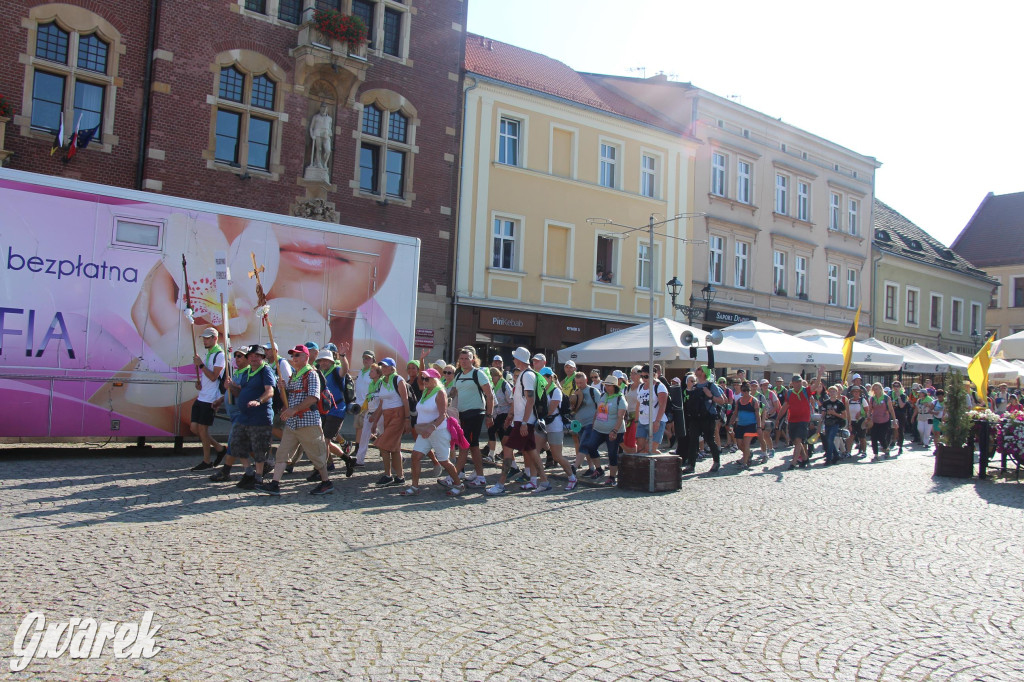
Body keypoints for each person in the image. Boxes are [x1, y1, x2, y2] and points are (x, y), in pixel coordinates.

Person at [255, 345, 334, 495]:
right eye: (293, 356)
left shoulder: (311, 374)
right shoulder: (295, 375)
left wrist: (294, 409)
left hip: (308, 421)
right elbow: (291, 396)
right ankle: (275, 484)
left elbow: (313, 397)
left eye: (298, 355)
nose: (294, 358)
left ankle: (326, 482)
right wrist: (283, 388)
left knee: (316, 454)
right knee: (282, 453)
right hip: (293, 422)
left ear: (306, 357)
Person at [486, 347, 547, 495]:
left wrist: (524, 422)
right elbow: (519, 400)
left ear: (518, 359)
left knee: (507, 448)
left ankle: (501, 484)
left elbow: (530, 400)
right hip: (521, 420)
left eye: (514, 357)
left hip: (524, 421)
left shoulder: (526, 375)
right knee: (532, 451)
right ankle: (544, 482)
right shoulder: (525, 375)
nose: (512, 359)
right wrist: (510, 416)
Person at [211, 346, 273, 487]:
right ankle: (249, 472)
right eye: (251, 355)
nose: (253, 358)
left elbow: (270, 391)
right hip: (244, 415)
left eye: (257, 355)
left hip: (260, 415)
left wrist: (258, 401)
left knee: (258, 448)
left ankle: (257, 478)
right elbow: (239, 393)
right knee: (236, 443)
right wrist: (230, 387)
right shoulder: (247, 372)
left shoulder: (265, 370)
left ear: (263, 357)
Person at [399, 368, 466, 497]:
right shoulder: (425, 392)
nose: (424, 381)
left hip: (438, 432)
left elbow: (443, 415)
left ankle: (459, 484)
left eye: (427, 378)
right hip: (425, 432)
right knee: (415, 457)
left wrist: (432, 427)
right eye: (423, 378)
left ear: (435, 379)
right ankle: (414, 487)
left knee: (444, 461)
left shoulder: (440, 393)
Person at [448, 348, 494, 488]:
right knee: (473, 446)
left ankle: (454, 476)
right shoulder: (459, 375)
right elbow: (453, 393)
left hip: (475, 413)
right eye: (461, 359)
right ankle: (480, 477)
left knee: (464, 445)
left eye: (466, 358)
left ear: (473, 359)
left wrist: (489, 415)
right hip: (462, 415)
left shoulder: (478, 374)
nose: (463, 361)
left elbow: (490, 395)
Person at [189, 327, 227, 471]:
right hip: (202, 396)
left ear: (215, 338)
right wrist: (200, 383)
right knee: (194, 428)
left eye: (207, 338)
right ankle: (219, 448)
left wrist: (201, 365)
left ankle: (206, 461)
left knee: (203, 430)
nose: (204, 340)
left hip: (211, 398)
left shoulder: (219, 355)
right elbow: (208, 377)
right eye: (204, 338)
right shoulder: (209, 354)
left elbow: (214, 376)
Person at [580, 375, 628, 486]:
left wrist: (615, 430)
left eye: (609, 385)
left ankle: (612, 477)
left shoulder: (620, 398)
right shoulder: (603, 395)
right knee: (590, 446)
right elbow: (597, 411)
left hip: (613, 430)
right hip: (598, 428)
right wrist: (593, 424)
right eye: (605, 385)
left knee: (612, 453)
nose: (606, 387)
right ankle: (599, 469)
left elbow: (621, 416)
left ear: (614, 386)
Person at [316, 350, 356, 478]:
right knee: (324, 442)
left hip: (337, 410)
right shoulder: (321, 372)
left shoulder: (335, 370)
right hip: (325, 411)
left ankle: (321, 471)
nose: (322, 363)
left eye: (325, 360)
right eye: (320, 360)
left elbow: (345, 370)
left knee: (324, 442)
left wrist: (343, 356)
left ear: (331, 361)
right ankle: (348, 460)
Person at [372, 358, 410, 486]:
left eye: (385, 366)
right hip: (387, 415)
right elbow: (381, 404)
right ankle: (400, 477)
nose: (383, 368)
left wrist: (407, 419)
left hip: (398, 415)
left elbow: (405, 400)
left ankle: (388, 475)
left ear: (392, 367)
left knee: (382, 444)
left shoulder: (398, 379)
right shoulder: (382, 382)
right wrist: (375, 421)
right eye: (382, 366)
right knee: (394, 448)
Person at [777, 369, 823, 469]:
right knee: (796, 441)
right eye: (796, 382)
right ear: (792, 383)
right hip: (792, 419)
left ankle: (793, 462)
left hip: (804, 420)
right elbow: (785, 406)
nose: (798, 383)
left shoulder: (806, 391)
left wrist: (819, 375)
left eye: (799, 382)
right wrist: (778, 418)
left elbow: (815, 386)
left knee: (798, 440)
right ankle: (805, 458)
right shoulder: (789, 393)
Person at [691, 366, 725, 472]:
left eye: (699, 369)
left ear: (704, 373)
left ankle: (716, 461)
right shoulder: (695, 386)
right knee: (692, 440)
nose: (696, 370)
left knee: (709, 440)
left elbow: (722, 400)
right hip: (696, 417)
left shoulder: (711, 386)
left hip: (708, 416)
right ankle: (691, 465)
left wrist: (710, 396)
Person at [636, 364, 669, 455]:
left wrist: (657, 421)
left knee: (650, 448)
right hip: (642, 420)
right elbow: (638, 404)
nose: (643, 378)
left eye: (646, 376)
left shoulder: (660, 386)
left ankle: (661, 464)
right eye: (642, 376)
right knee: (640, 448)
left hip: (655, 420)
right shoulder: (641, 387)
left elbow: (662, 405)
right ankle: (644, 468)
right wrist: (636, 420)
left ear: (653, 375)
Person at [728, 381, 762, 468]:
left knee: (746, 443)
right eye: (744, 390)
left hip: (750, 425)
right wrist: (730, 423)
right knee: (739, 444)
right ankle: (748, 454)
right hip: (740, 425)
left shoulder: (754, 401)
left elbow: (758, 415)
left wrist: (759, 427)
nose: (746, 392)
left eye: (747, 390)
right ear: (742, 391)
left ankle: (745, 463)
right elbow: (735, 413)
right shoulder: (739, 401)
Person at [485, 366, 512, 464]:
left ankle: (491, 455)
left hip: (505, 412)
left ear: (498, 375)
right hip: (497, 413)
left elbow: (511, 401)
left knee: (491, 430)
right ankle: (510, 461)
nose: (492, 379)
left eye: (493, 376)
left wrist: (510, 416)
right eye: (490, 377)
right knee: (501, 436)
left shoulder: (504, 384)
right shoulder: (491, 386)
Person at [867, 382, 899, 461]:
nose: (876, 390)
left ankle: (886, 448)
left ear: (881, 389)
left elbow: (891, 409)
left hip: (884, 420)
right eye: (874, 388)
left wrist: (894, 420)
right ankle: (876, 454)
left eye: (877, 388)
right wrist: (868, 416)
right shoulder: (872, 399)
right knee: (873, 437)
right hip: (875, 420)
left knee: (881, 436)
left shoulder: (886, 398)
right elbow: (870, 409)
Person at [820, 384, 848, 466]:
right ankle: (836, 455)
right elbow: (823, 414)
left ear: (837, 392)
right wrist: (820, 425)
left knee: (829, 440)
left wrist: (834, 413)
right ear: (828, 393)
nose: (832, 393)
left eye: (834, 391)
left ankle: (829, 459)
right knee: (829, 440)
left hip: (836, 424)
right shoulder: (826, 403)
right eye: (831, 391)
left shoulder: (840, 404)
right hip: (827, 423)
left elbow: (844, 416)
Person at [309, 101, 333, 170]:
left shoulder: (329, 119)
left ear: (327, 109)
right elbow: (311, 127)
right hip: (317, 133)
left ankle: (324, 163)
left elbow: (330, 128)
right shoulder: (316, 117)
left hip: (326, 134)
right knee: (319, 149)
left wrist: (329, 132)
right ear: (320, 108)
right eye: (322, 107)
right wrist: (312, 135)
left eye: (325, 108)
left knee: (328, 151)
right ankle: (318, 163)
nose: (324, 109)